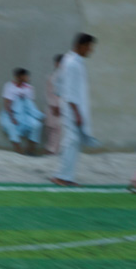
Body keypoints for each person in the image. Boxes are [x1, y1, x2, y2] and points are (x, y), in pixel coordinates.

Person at [51, 33, 97, 187]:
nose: (90, 50)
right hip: (72, 109)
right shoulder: (72, 63)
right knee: (72, 141)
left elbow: (57, 82)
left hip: (71, 107)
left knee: (72, 142)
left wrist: (59, 100)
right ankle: (62, 177)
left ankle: (65, 176)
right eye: (89, 47)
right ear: (81, 45)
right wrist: (76, 112)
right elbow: (70, 91)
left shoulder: (71, 61)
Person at [0, 67, 43, 154]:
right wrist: (12, 117)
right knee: (11, 126)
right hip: (11, 113)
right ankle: (18, 150)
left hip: (25, 114)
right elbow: (6, 103)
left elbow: (30, 105)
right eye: (26, 76)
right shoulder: (9, 86)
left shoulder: (29, 88)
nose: (28, 78)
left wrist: (35, 114)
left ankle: (31, 149)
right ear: (19, 77)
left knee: (37, 125)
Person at [43, 53, 64, 155]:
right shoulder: (53, 76)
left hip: (60, 107)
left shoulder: (63, 76)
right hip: (54, 107)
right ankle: (50, 151)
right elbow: (50, 93)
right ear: (56, 63)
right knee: (53, 128)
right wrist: (55, 106)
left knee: (57, 129)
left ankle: (53, 150)